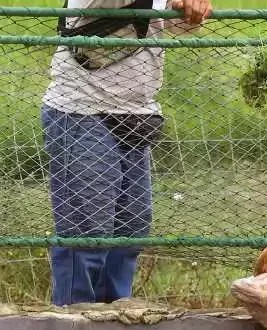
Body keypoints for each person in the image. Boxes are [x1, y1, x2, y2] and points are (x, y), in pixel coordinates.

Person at [41, 0, 212, 306]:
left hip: (136, 113)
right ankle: (72, 328)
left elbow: (182, 24)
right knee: (87, 234)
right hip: (82, 111)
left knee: (131, 229)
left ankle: (115, 317)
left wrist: (193, 6)